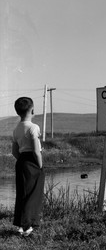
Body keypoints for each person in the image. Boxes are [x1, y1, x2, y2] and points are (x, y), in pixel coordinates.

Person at [11, 97, 45, 237]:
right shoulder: (33, 127)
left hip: (21, 161)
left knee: (22, 192)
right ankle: (28, 226)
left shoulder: (16, 129)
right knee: (33, 194)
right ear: (32, 110)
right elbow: (37, 151)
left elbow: (14, 151)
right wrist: (40, 165)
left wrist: (22, 160)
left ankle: (20, 225)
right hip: (32, 161)